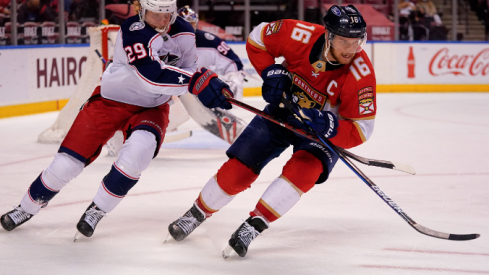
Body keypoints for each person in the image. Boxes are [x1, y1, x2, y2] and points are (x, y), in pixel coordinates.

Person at [1, 0, 232, 240]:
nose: (163, 22)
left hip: (151, 108)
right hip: (110, 103)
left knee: (136, 156)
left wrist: (207, 87)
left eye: (168, 15)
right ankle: (25, 208)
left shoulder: (184, 31)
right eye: (156, 15)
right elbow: (151, 77)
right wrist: (196, 81)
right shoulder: (133, 29)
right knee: (65, 165)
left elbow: (188, 70)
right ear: (142, 11)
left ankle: (97, 210)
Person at [167, 4, 376, 257]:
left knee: (302, 172)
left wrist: (328, 124)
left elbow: (361, 129)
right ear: (329, 36)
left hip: (320, 132)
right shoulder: (300, 34)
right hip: (283, 110)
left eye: (357, 41)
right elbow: (258, 38)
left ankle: (252, 227)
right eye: (344, 41)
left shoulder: (361, 74)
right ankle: (196, 213)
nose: (352, 49)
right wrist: (270, 72)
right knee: (240, 169)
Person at [175, 5, 247, 144]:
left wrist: (234, 78)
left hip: (200, 87)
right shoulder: (164, 41)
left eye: (192, 23)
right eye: (185, 24)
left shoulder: (208, 40)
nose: (189, 28)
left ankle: (233, 129)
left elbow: (233, 62)